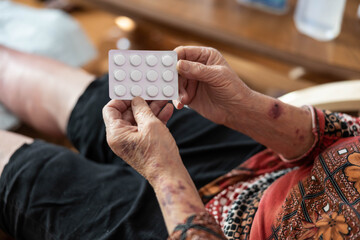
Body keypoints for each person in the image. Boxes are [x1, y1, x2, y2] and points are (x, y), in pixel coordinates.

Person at [0, 45, 359, 240]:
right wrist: (246, 108)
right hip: (268, 170)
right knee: (91, 99)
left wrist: (164, 172)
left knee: (26, 174)